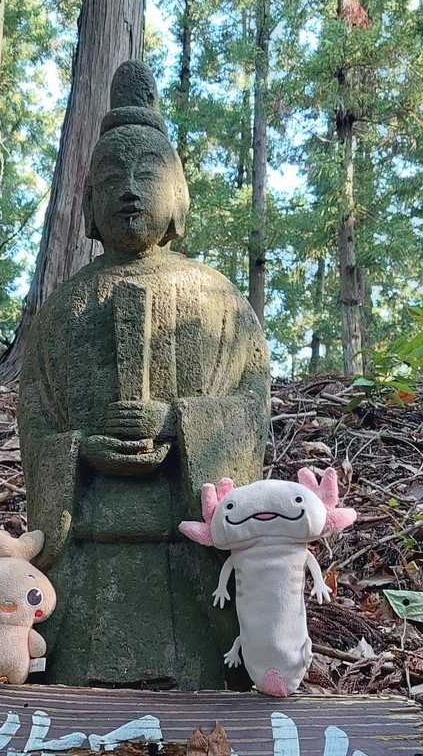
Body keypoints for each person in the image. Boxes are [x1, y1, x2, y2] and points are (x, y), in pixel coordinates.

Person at [18, 61, 271, 689]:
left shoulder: (219, 300)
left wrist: (182, 424)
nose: (129, 190)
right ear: (88, 204)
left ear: (179, 196)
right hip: (87, 551)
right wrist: (80, 449)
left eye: (148, 174)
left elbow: (252, 407)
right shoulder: (62, 311)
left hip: (191, 555)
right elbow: (36, 426)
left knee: (210, 676)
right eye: (111, 177)